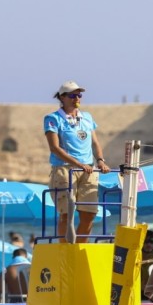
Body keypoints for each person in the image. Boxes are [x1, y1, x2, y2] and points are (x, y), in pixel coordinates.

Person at [44, 81, 111, 243]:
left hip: (89, 169)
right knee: (66, 213)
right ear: (62, 97)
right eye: (73, 95)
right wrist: (78, 164)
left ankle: (79, 247)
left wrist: (100, 160)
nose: (77, 98)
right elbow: (55, 147)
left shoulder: (86, 117)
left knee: (90, 213)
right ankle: (64, 247)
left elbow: (95, 142)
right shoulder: (53, 119)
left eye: (79, 95)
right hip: (64, 169)